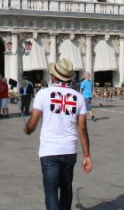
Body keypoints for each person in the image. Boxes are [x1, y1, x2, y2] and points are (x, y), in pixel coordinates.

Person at [23, 58, 93, 210]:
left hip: (49, 150)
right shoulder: (78, 97)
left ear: (54, 76)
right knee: (66, 189)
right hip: (69, 150)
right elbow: (82, 128)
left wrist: (26, 129)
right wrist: (87, 155)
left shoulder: (43, 94)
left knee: (51, 191)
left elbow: (32, 125)